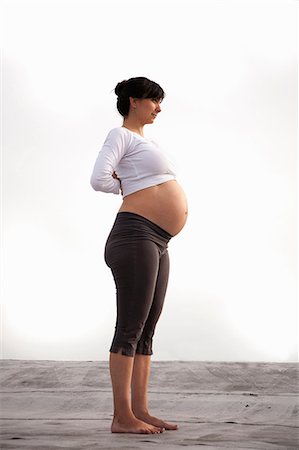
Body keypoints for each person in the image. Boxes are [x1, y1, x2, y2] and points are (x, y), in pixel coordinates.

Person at [90, 76, 188, 434]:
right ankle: (122, 417)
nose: (158, 108)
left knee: (147, 329)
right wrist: (126, 185)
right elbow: (98, 179)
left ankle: (141, 410)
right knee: (129, 327)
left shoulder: (146, 141)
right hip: (135, 234)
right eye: (154, 101)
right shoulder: (120, 135)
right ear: (134, 101)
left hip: (159, 239)